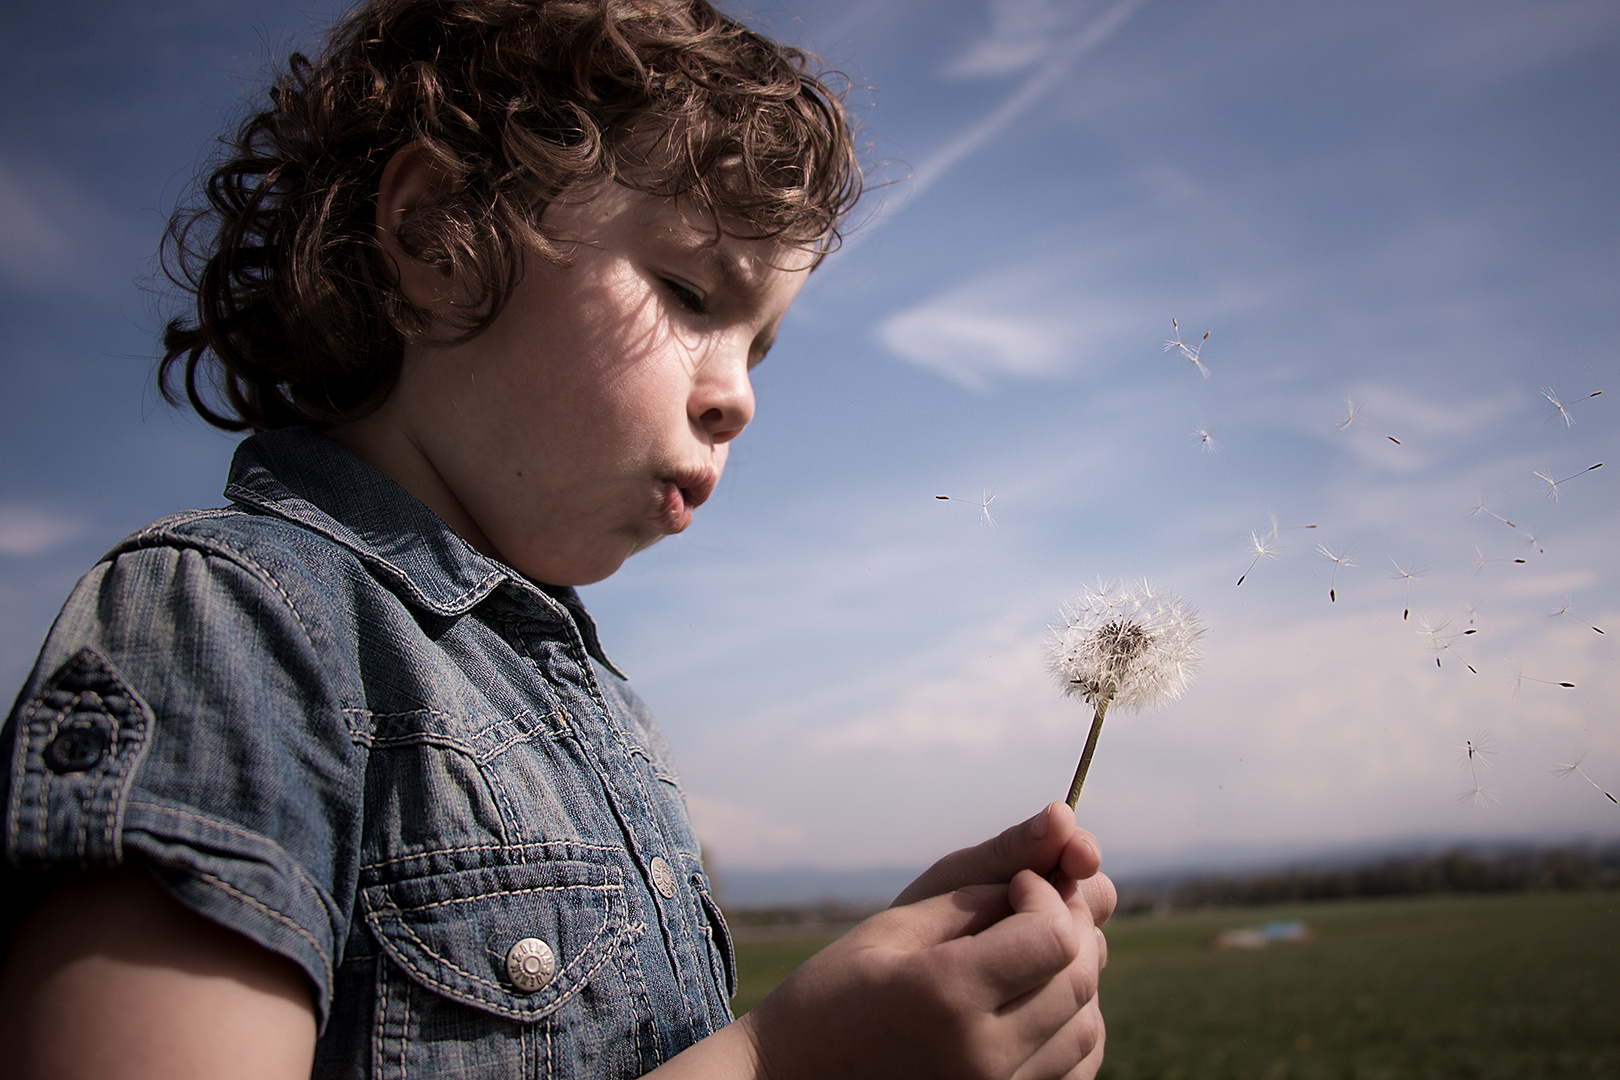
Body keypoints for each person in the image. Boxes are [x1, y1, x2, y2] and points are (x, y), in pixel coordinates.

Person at [0, 1, 1114, 1076]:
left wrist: (882, 1007)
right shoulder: (228, 629)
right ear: (436, 234)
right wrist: (796, 1066)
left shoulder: (590, 701)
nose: (739, 399)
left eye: (760, 348)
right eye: (687, 291)